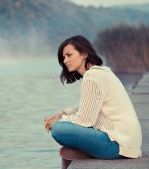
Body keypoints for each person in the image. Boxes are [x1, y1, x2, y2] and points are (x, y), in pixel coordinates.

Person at [44, 35, 142, 169]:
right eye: (64, 58)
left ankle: (88, 151)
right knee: (64, 124)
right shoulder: (101, 72)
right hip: (128, 143)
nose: (65, 61)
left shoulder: (92, 77)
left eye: (69, 55)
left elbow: (85, 119)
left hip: (117, 145)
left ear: (84, 54)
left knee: (59, 130)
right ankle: (87, 151)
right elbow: (88, 106)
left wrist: (59, 122)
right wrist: (61, 115)